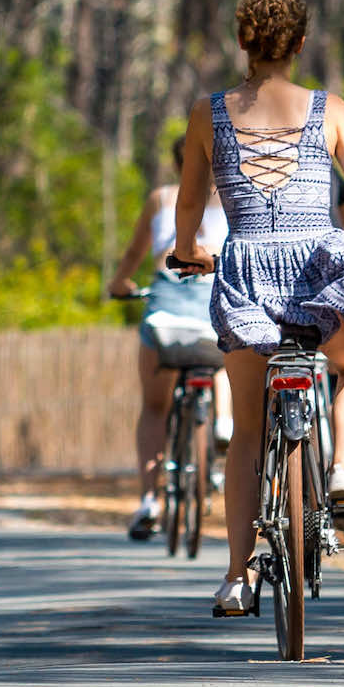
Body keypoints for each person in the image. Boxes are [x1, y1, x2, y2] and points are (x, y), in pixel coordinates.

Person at [166, 0, 344, 620]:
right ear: (299, 44)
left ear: (242, 41)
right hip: (318, 268)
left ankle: (237, 577)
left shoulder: (208, 112)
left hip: (243, 272)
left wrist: (187, 250)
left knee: (247, 432)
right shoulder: (331, 109)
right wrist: (338, 251)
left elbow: (189, 203)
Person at [105, 130, 227, 540]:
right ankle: (220, 429)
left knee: (154, 408)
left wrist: (121, 282)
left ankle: (149, 501)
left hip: (167, 315)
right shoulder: (231, 199)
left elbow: (133, 255)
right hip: (214, 315)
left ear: (178, 163)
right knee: (223, 361)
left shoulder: (161, 199)